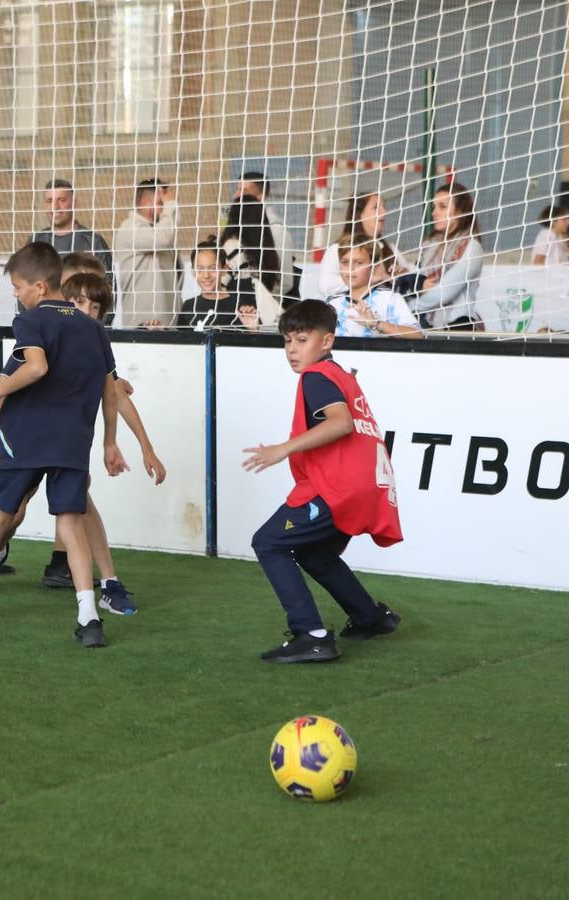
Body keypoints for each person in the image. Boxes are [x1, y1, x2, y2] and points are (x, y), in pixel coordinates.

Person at [0, 242, 126, 649]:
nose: (16, 293)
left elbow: (35, 367)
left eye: (18, 286)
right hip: (73, 439)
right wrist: (109, 442)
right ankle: (89, 616)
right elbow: (110, 390)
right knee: (70, 523)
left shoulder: (31, 320)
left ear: (41, 286)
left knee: (0, 515)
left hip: (26, 435)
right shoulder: (94, 329)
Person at [0, 271, 166, 614]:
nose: (87, 312)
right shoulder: (34, 344)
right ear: (61, 301)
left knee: (78, 505)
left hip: (63, 446)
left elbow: (116, 394)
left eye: (95, 307)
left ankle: (108, 583)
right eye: (79, 303)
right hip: (24, 440)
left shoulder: (91, 349)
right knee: (11, 510)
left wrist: (141, 448)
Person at [242, 299, 404, 663]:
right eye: (287, 341)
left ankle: (311, 635)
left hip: (336, 488)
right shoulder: (342, 375)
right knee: (315, 553)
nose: (292, 350)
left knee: (268, 543)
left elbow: (341, 422)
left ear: (327, 341)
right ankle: (370, 617)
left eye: (301, 340)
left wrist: (281, 449)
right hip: (368, 487)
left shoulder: (316, 377)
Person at [412, 181, 485, 330]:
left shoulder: (472, 247)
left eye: (442, 207)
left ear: (460, 212)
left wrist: (406, 306)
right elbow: (415, 281)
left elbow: (444, 294)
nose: (434, 213)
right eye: (434, 207)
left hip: (458, 326)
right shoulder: (428, 246)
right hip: (425, 324)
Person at [224, 171, 295, 321]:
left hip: (265, 313)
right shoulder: (235, 228)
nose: (237, 195)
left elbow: (285, 281)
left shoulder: (276, 229)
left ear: (259, 197)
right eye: (237, 189)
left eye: (244, 191)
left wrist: (261, 300)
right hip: (236, 309)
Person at [113, 177, 181, 327]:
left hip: (169, 324)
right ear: (145, 203)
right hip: (141, 325)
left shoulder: (159, 231)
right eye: (161, 204)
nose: (166, 210)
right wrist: (170, 205)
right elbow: (162, 238)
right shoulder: (129, 228)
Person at [318, 193, 412, 299]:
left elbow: (409, 281)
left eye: (384, 207)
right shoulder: (337, 249)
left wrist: (401, 277)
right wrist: (368, 279)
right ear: (359, 215)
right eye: (376, 207)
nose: (384, 212)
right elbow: (325, 285)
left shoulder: (390, 248)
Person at [326, 238, 422, 339]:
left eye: (359, 262)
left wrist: (376, 324)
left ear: (374, 267)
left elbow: (417, 335)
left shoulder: (390, 299)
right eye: (345, 262)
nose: (350, 268)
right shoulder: (332, 302)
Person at [29, 178, 113, 283]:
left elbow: (109, 288)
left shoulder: (93, 241)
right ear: (44, 205)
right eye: (50, 201)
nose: (55, 207)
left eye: (62, 200)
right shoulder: (35, 241)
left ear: (74, 203)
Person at [176, 236, 260, 331]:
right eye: (200, 269)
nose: (206, 275)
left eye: (213, 269)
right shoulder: (188, 307)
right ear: (193, 272)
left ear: (224, 269)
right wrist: (159, 331)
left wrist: (253, 329)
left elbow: (249, 344)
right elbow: (178, 343)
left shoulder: (240, 308)